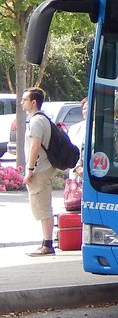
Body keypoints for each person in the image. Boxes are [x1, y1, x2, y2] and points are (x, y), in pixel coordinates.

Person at [21, 88, 57, 256]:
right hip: (43, 168)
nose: (22, 103)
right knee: (42, 206)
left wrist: (29, 170)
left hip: (40, 169)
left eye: (24, 100)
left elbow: (35, 146)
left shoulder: (36, 121)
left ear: (33, 102)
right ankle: (46, 243)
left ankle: (47, 244)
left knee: (43, 207)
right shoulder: (40, 119)